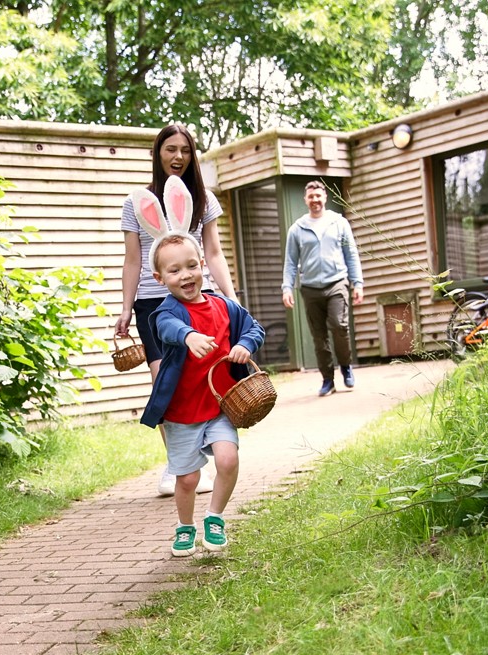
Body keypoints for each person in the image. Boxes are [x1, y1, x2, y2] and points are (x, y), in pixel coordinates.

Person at [132, 176, 265, 557]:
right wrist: (189, 337)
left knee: (228, 458)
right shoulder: (166, 311)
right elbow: (167, 328)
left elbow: (253, 326)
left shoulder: (224, 305)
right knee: (187, 479)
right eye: (174, 271)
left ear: (202, 264)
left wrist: (243, 344)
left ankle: (216, 517)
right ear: (160, 278)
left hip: (219, 405)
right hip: (182, 413)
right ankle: (185, 526)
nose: (185, 275)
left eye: (191, 266)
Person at [115, 123, 238, 496]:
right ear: (158, 153)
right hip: (153, 304)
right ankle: (176, 466)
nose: (178, 156)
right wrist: (125, 308)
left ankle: (207, 448)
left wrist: (231, 299)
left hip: (199, 300)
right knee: (163, 378)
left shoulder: (204, 200)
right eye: (170, 149)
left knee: (201, 377)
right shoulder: (136, 203)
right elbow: (133, 260)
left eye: (185, 149)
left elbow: (213, 253)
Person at [280, 180, 364, 397]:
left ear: (325, 198)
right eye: (311, 197)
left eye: (318, 196)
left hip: (337, 282)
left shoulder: (339, 223)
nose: (315, 200)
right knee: (319, 337)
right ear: (305, 199)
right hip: (310, 288)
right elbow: (290, 262)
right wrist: (287, 287)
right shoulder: (297, 229)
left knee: (338, 325)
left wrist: (358, 283)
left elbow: (351, 254)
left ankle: (345, 366)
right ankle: (328, 380)